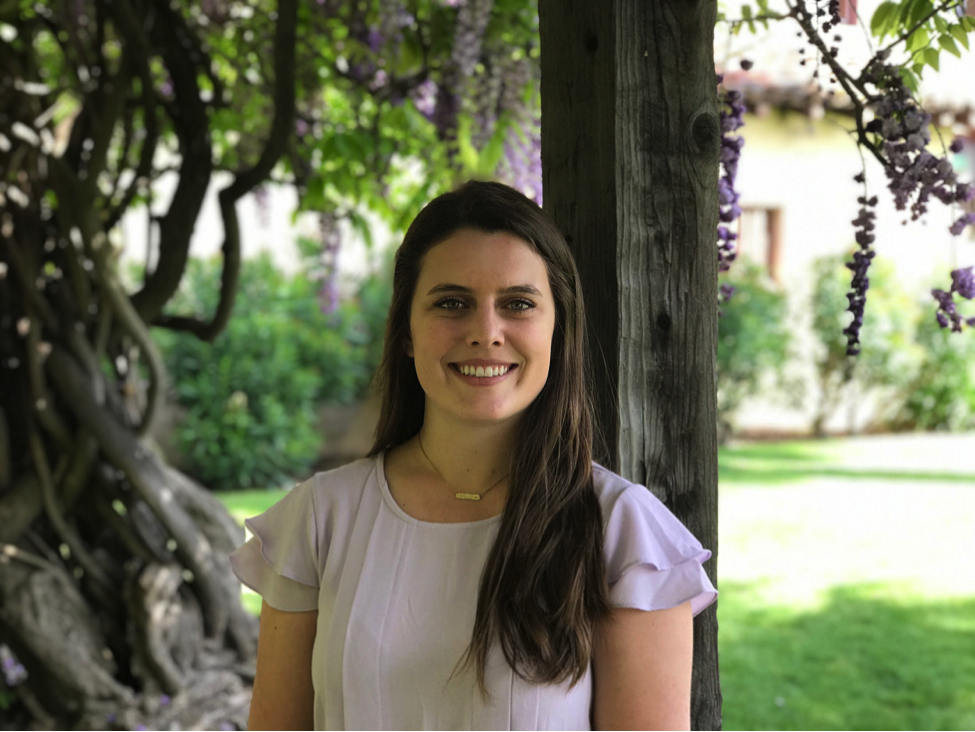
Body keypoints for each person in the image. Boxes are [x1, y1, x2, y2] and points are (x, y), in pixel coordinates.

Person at [229, 180, 717, 731]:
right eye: (452, 303)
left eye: (518, 304)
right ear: (407, 331)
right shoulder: (320, 521)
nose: (486, 333)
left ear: (559, 329)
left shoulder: (624, 535)